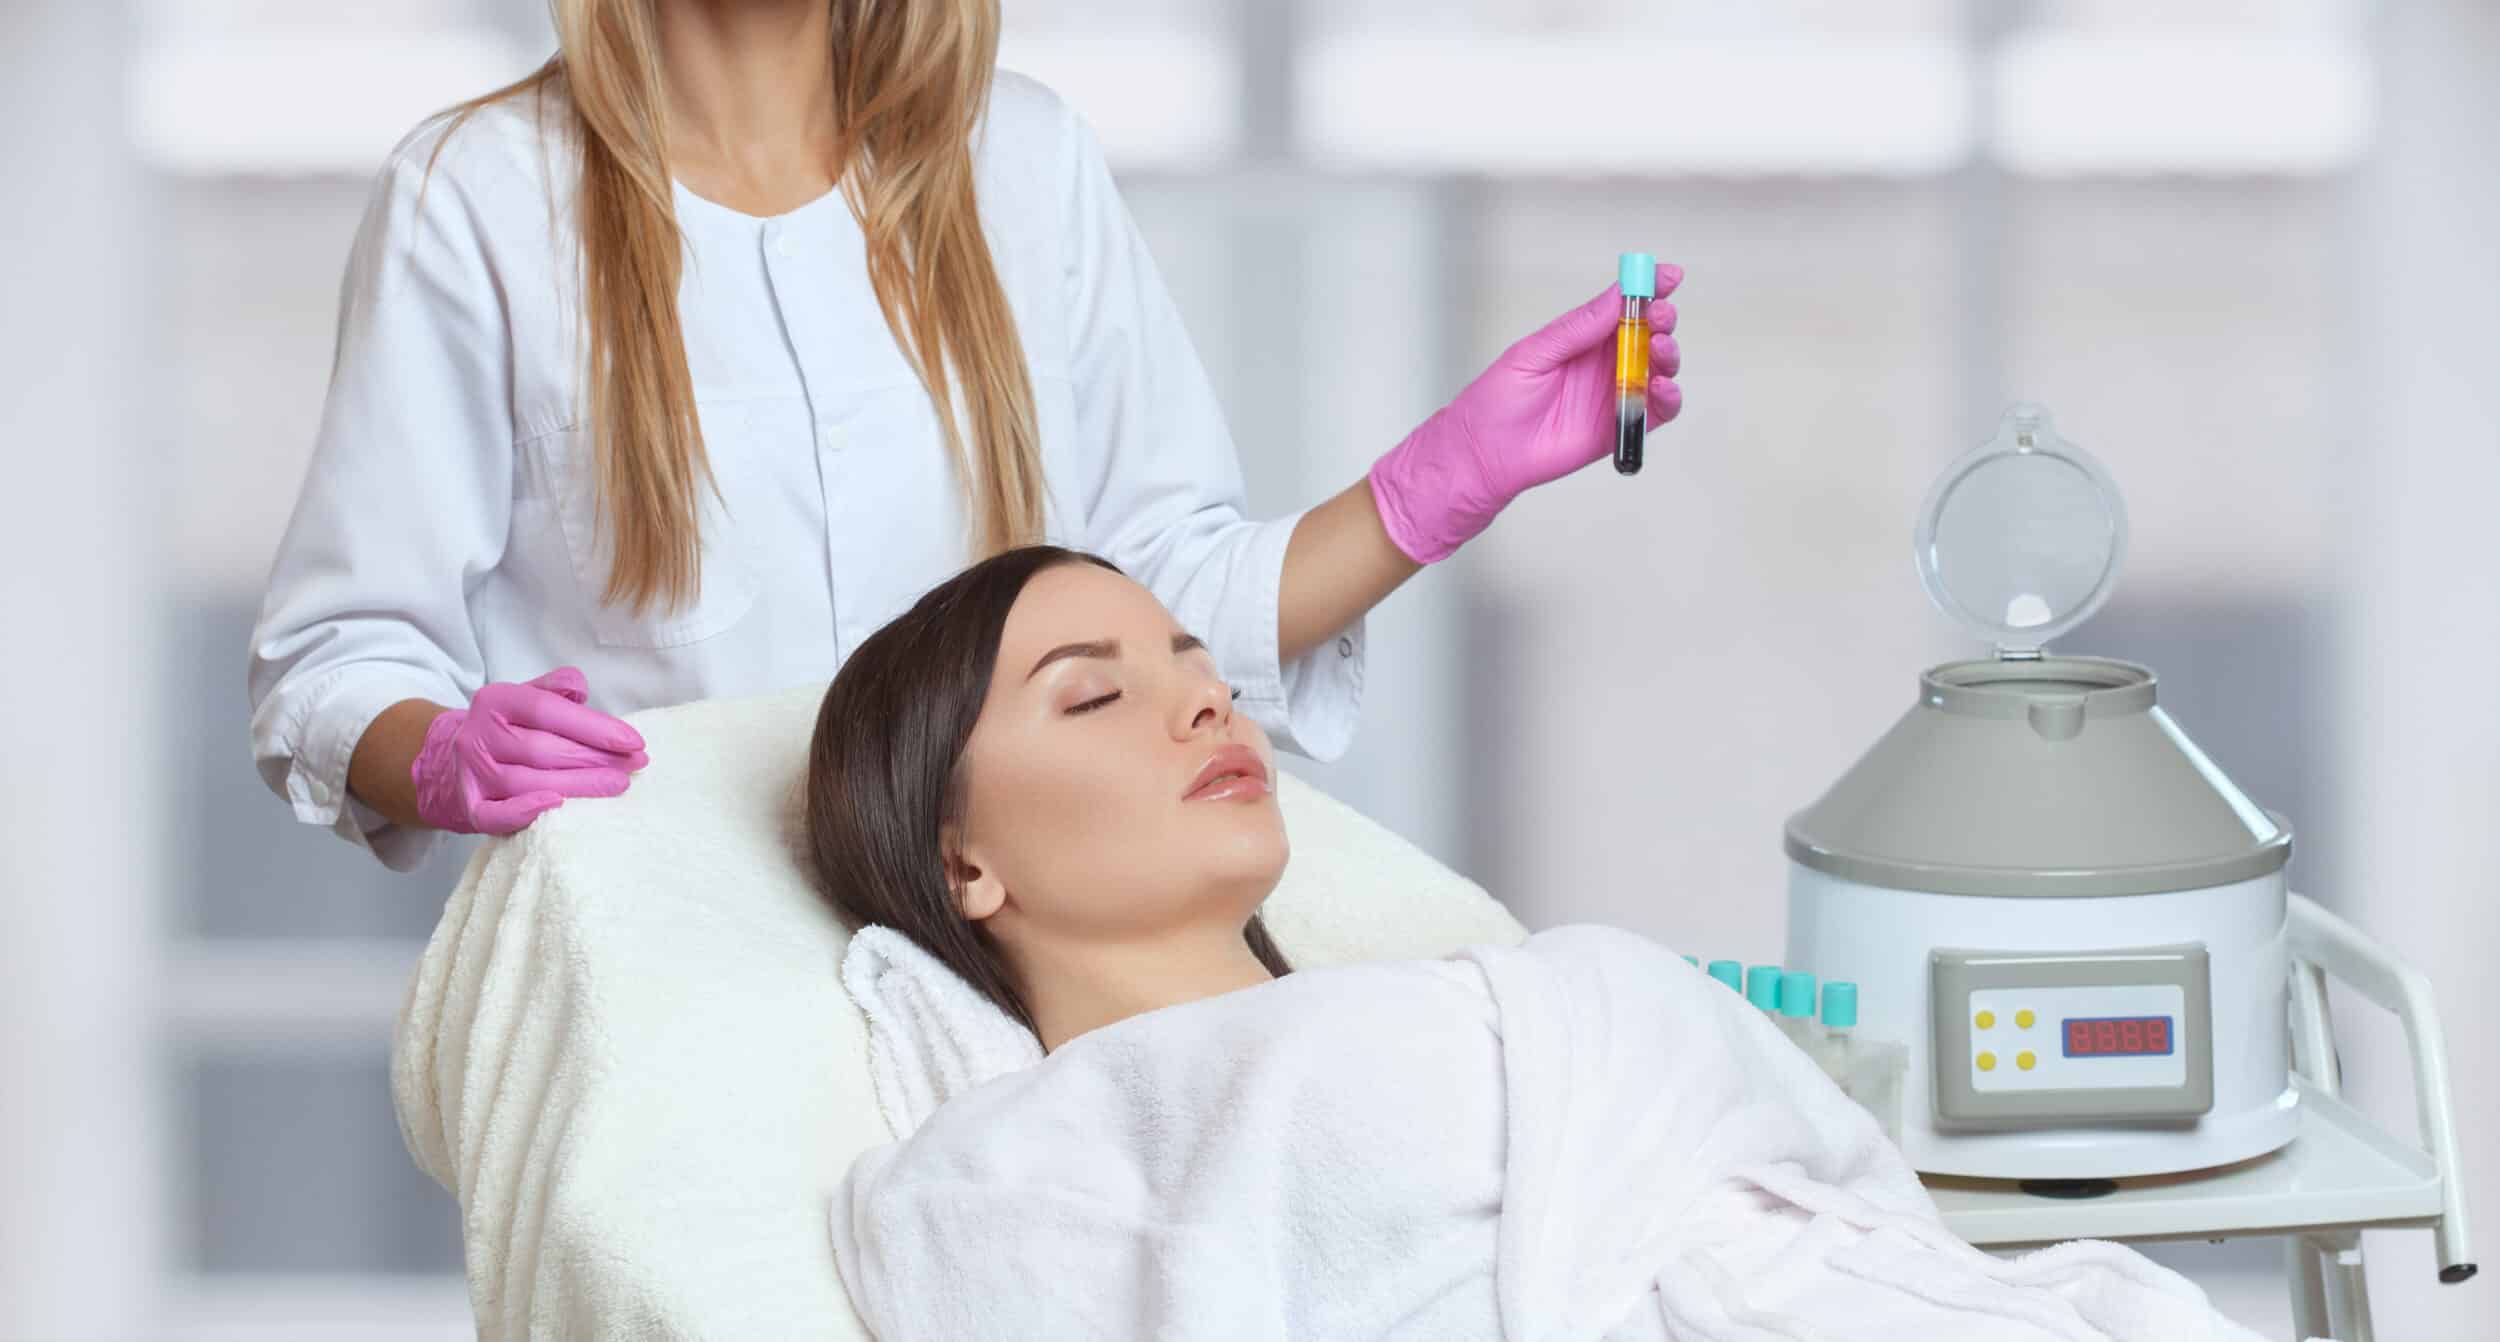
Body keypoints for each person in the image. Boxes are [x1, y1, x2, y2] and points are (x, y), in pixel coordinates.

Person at [246, 0, 1684, 873]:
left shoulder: (1025, 165)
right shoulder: (478, 198)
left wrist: (1437, 485)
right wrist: (433, 751)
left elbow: (1149, 605)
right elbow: (337, 655)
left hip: (997, 953)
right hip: (661, 984)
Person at [801, 545, 2269, 1342]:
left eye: (1198, 663)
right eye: (1090, 696)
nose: (1205, 704)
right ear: (961, 859)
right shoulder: (992, 1189)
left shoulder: (1498, 1013)